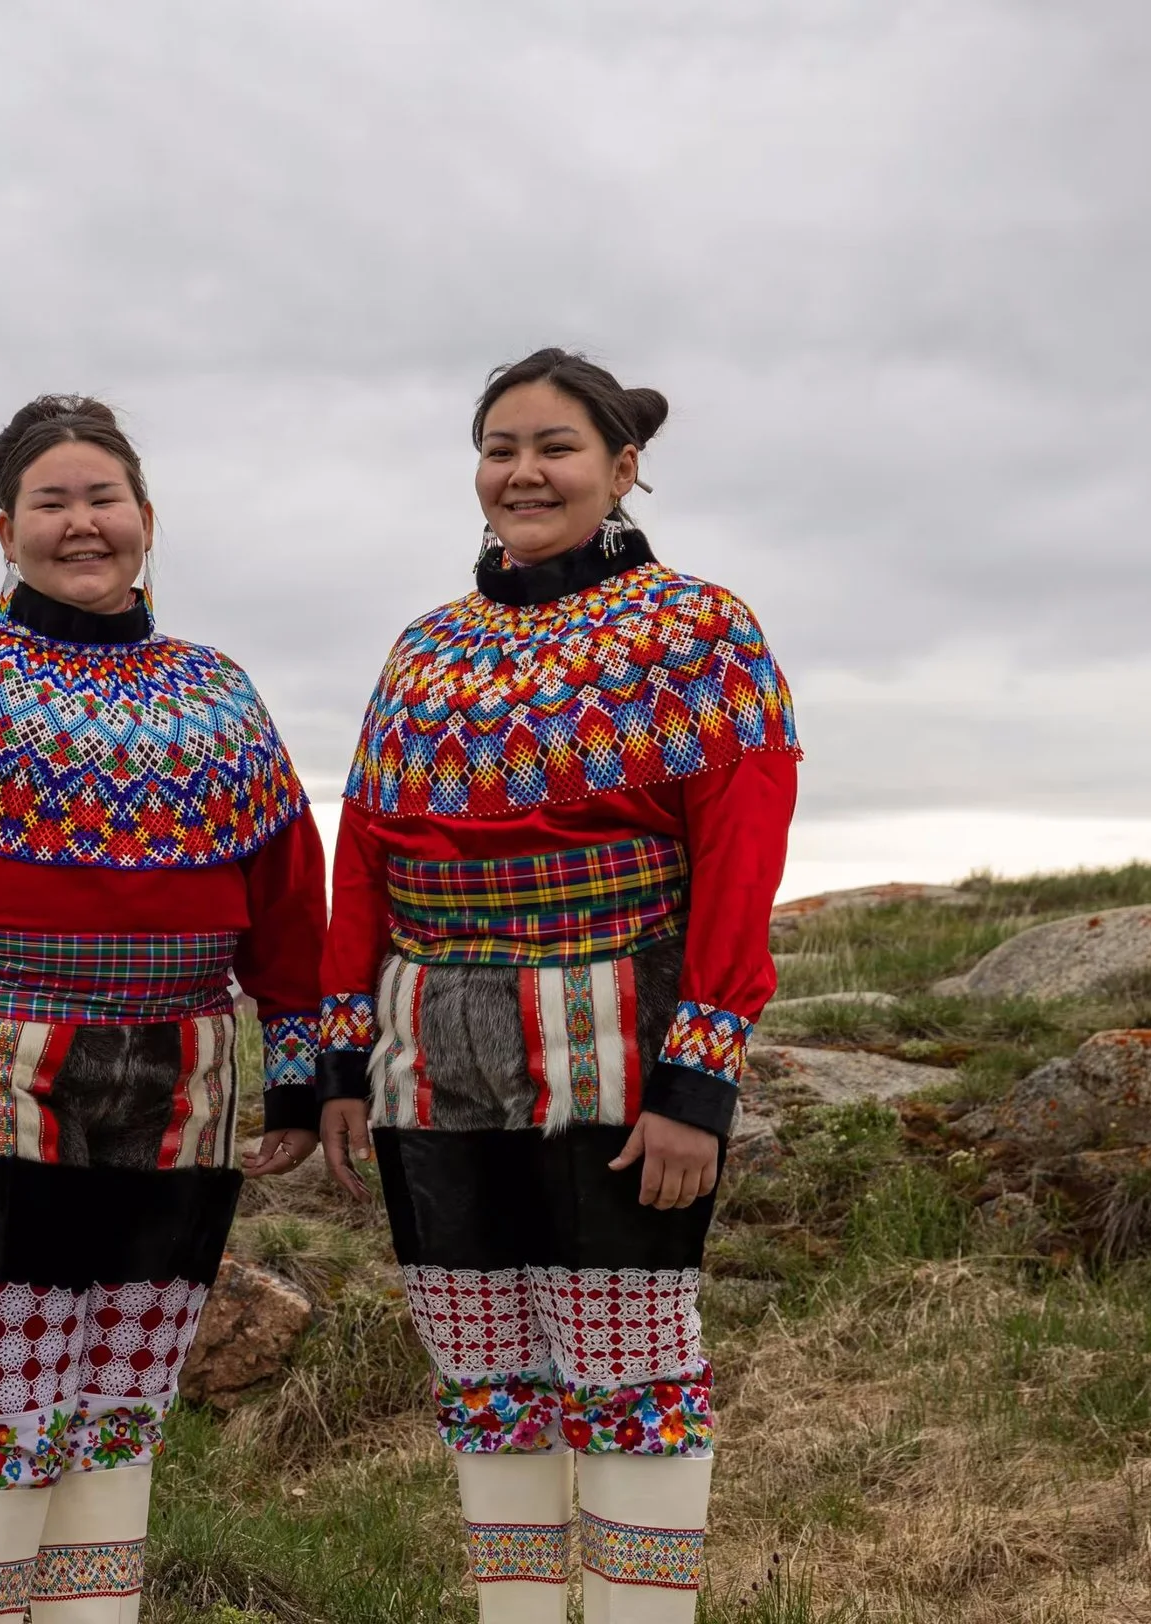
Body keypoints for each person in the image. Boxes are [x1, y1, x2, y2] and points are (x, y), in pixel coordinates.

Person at [315, 350, 798, 1623]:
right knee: (483, 1370)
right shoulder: (424, 651)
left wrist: (701, 1078)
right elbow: (361, 852)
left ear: (623, 466)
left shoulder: (698, 633)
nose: (522, 473)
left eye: (556, 446)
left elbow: (738, 860)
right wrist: (334, 1057)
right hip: (430, 1054)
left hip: (618, 1042)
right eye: (498, 448)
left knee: (630, 1376)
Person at [0, 395, 326, 1623]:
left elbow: (284, 892)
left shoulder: (217, 696)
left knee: (124, 1390)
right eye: (51, 502)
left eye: (102, 498)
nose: (80, 523)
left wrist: (304, 1071)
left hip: (183, 1082)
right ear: (7, 529)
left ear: (146, 519)